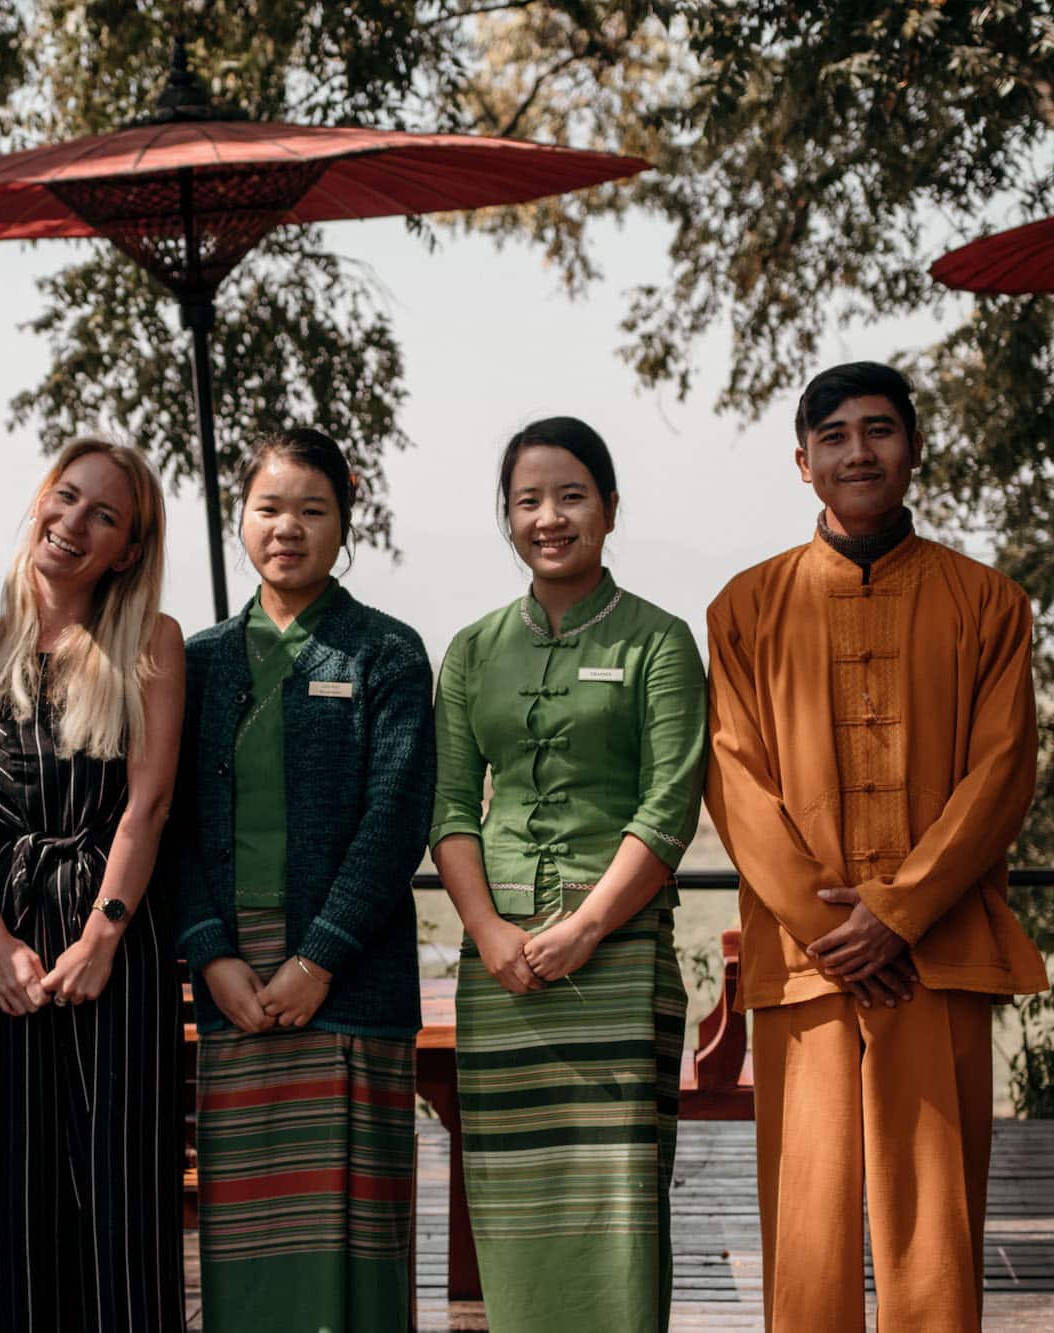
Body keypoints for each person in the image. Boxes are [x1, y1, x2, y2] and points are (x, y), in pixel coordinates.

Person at [704, 361, 1048, 1331]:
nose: (858, 450)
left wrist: (895, 913)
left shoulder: (988, 603)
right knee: (805, 1229)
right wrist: (839, 930)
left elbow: (1000, 773)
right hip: (805, 958)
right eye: (834, 435)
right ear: (802, 462)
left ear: (913, 446)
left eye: (879, 429)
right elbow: (733, 782)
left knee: (933, 1226)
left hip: (934, 955)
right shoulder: (742, 609)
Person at [428, 417, 707, 1333]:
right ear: (507, 519)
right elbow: (451, 809)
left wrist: (586, 926)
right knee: (512, 1204)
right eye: (528, 500)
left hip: (620, 964)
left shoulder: (659, 643)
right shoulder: (470, 650)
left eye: (572, 495)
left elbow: (667, 808)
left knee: (618, 1207)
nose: (550, 516)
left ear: (612, 508)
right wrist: (490, 931)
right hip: (500, 968)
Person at [175, 428, 435, 1333]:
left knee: (357, 1235)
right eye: (269, 508)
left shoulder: (386, 652)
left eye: (312, 510)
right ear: (238, 517)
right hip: (233, 982)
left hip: (350, 974)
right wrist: (211, 956)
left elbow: (396, 819)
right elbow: (169, 828)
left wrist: (319, 956)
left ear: (344, 518)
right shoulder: (197, 660)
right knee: (249, 1231)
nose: (288, 528)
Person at [0, 437, 185, 1332]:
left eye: (105, 515)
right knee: (11, 1188)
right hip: (3, 934)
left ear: (128, 549)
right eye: (67, 497)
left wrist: (101, 936)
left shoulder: (148, 641)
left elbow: (148, 805)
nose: (74, 523)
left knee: (124, 1185)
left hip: (116, 939)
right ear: (41, 500)